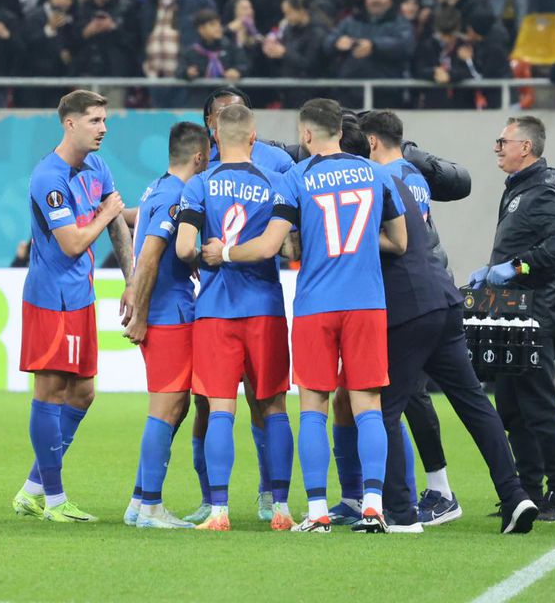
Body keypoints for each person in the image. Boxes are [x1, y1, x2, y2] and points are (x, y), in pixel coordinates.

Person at [200, 99, 407, 534]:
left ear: (308, 135)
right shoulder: (376, 174)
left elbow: (271, 246)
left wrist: (226, 252)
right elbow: (400, 241)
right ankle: (373, 506)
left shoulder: (296, 177)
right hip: (367, 300)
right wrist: (363, 243)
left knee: (314, 406)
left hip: (317, 304)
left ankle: (316, 513)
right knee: (368, 404)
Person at [357, 110, 541, 534]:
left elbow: (392, 242)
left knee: (383, 408)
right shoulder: (413, 177)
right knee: (473, 402)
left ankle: (403, 512)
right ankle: (515, 494)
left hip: (407, 302)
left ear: (369, 143)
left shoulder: (376, 181)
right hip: (444, 294)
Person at [12, 90, 134, 523]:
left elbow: (118, 223)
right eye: (95, 121)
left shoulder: (97, 167)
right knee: (50, 393)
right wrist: (105, 214)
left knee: (83, 393)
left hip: (80, 297)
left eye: (105, 120)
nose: (103, 128)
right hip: (50, 302)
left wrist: (133, 281)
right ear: (70, 124)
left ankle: (31, 489)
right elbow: (72, 243)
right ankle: (56, 500)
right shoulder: (49, 177)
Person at [174, 104, 294, 532]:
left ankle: (219, 511)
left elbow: (184, 248)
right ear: (254, 137)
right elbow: (287, 248)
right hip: (264, 309)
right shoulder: (278, 183)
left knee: (220, 409)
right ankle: (281, 508)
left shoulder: (200, 184)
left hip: (215, 312)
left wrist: (210, 251)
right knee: (274, 407)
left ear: (217, 140)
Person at [469, 115, 555, 523]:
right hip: (513, 317)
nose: (497, 147)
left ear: (525, 148)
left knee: (538, 406)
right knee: (512, 408)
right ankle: (528, 492)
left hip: (535, 317)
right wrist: (491, 268)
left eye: (503, 141)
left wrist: (516, 267)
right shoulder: (521, 188)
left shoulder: (543, 190)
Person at [121, 123, 211, 529]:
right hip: (168, 312)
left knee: (170, 410)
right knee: (168, 407)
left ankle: (139, 501)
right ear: (198, 156)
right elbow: (153, 254)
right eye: (207, 155)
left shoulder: (154, 188)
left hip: (161, 310)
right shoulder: (177, 195)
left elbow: (128, 228)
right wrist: (139, 312)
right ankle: (151, 507)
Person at [324, 0, 415, 109]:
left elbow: (406, 45)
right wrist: (336, 43)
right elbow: (327, 42)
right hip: (349, 92)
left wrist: (374, 46)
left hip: (386, 94)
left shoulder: (400, 23)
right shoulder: (351, 21)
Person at [139, 0, 216, 107]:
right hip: (155, 81)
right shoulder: (149, 4)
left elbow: (213, 36)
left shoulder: (199, 1)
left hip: (187, 81)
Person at [184, 9, 247, 84]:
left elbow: (244, 65)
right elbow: (180, 70)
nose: (218, 27)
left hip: (226, 94)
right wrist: (187, 73)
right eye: (212, 24)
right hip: (202, 94)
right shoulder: (192, 52)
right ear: (201, 29)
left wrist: (237, 71)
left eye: (219, 24)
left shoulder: (231, 48)